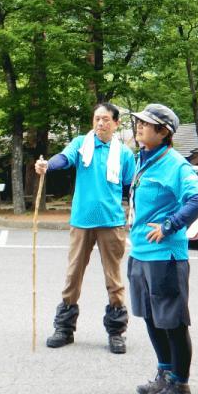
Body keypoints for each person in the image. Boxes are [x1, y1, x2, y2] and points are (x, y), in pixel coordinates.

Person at [34, 102, 136, 354]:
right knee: (73, 275)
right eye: (96, 118)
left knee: (114, 279)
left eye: (105, 119)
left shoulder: (124, 154)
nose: (100, 123)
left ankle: (116, 332)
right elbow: (63, 158)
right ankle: (64, 328)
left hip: (112, 222)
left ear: (116, 123)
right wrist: (48, 165)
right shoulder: (81, 144)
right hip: (81, 221)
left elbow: (130, 188)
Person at [128, 104, 198, 394]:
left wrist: (169, 225)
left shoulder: (175, 164)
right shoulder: (143, 159)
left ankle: (180, 382)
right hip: (140, 252)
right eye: (138, 122)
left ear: (163, 132)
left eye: (146, 123)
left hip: (165, 256)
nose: (139, 126)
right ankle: (164, 374)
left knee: (172, 321)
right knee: (150, 316)